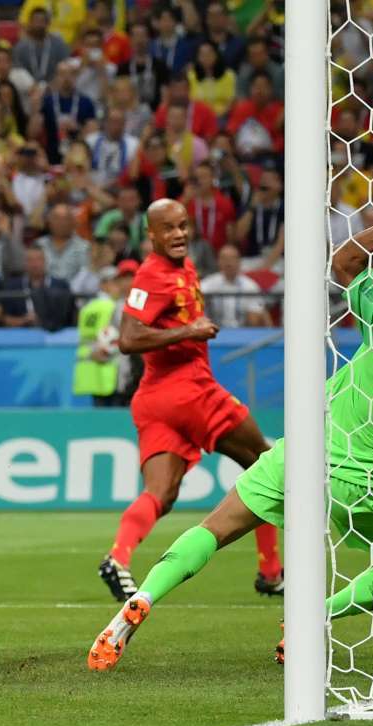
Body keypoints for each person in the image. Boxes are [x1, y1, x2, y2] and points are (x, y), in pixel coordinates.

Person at [88, 194, 373, 671]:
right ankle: (313, 619)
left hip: (304, 454)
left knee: (213, 528)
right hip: (366, 485)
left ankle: (141, 598)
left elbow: (346, 260)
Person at [96, 199, 283, 604]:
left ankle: (118, 557)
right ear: (151, 235)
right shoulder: (151, 277)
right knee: (265, 464)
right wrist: (188, 331)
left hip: (155, 398)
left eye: (183, 226)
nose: (178, 234)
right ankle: (271, 571)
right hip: (190, 390)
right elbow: (129, 338)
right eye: (168, 229)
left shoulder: (183, 264)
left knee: (161, 493)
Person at [74, 259, 136, 406]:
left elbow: (87, 340)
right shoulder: (113, 306)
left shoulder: (87, 308)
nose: (125, 283)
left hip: (98, 373)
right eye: (119, 280)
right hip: (116, 373)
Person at [201, 244, 271, 328]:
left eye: (232, 259)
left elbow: (255, 320)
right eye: (224, 259)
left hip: (242, 334)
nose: (228, 263)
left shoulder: (250, 286)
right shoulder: (208, 283)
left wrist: (255, 315)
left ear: (239, 262)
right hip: (214, 333)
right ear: (218, 261)